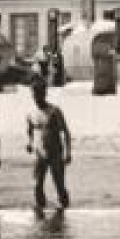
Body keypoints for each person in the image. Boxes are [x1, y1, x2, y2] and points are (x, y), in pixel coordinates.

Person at [25, 78, 73, 211]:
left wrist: (68, 152)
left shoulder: (54, 111)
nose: (36, 97)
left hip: (55, 153)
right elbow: (29, 131)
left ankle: (65, 211)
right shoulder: (30, 113)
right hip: (39, 154)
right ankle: (40, 216)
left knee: (59, 185)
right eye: (34, 94)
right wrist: (29, 142)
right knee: (37, 185)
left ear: (44, 93)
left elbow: (66, 133)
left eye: (39, 94)